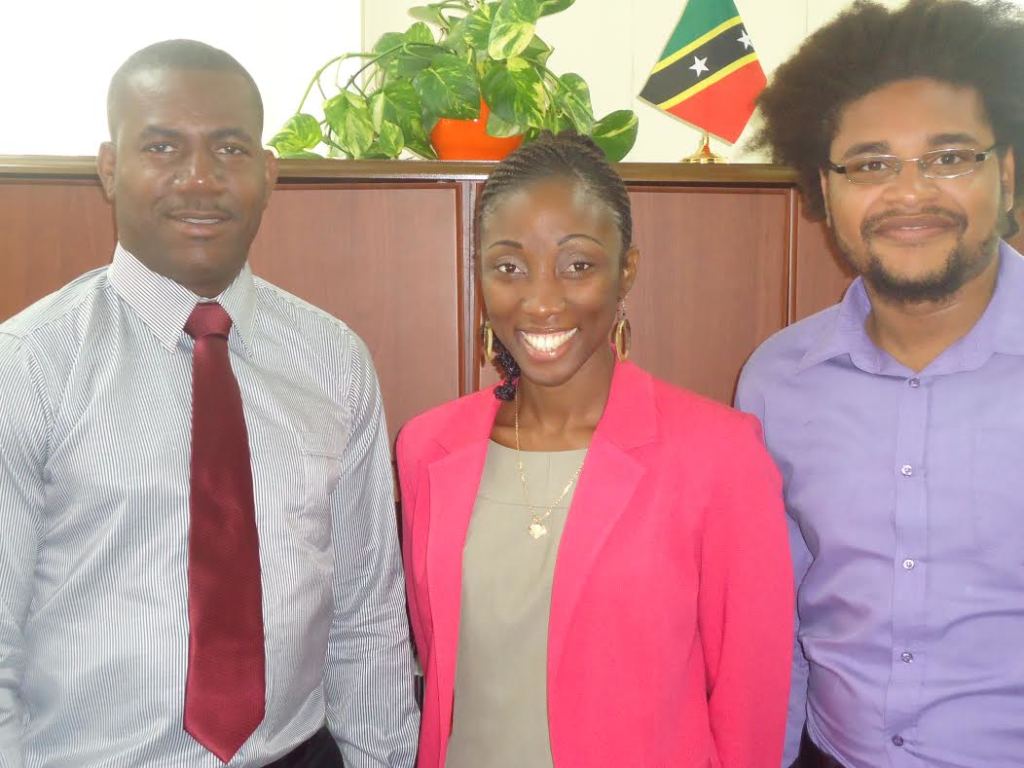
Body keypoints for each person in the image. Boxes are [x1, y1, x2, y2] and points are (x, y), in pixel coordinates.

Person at [0, 40, 419, 767]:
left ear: (267, 173)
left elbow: (367, 618)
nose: (199, 179)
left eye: (229, 148)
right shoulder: (28, 366)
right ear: (109, 168)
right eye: (162, 146)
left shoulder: (335, 362)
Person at [396, 132, 793, 768]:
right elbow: (438, 657)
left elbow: (751, 706)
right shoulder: (428, 448)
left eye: (577, 264)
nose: (542, 299)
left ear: (626, 269)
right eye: (509, 267)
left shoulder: (719, 456)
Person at [735, 2, 1024, 767]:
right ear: (825, 192)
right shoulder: (776, 382)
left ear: (1007, 173)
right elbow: (777, 616)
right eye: (870, 164)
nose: (908, 193)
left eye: (949, 157)